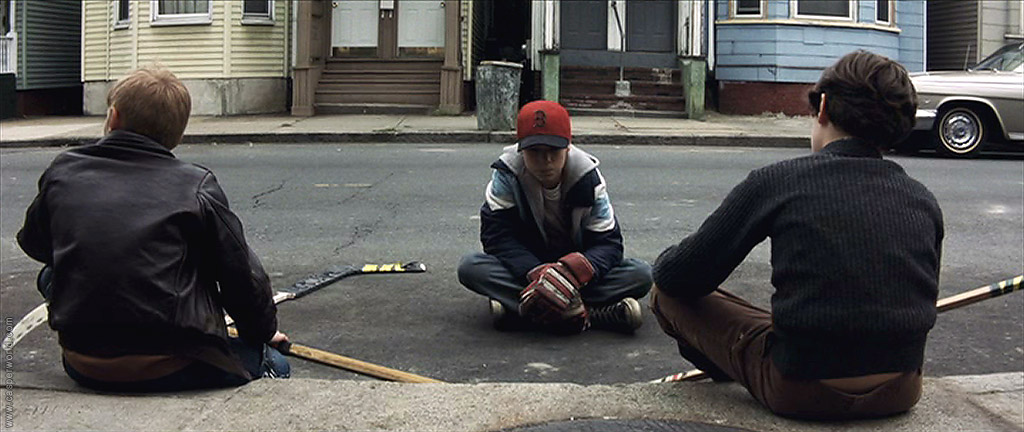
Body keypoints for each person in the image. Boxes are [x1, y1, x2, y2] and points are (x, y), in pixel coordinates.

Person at [650, 50, 944, 420]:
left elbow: (680, 276)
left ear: (822, 109)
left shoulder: (780, 181)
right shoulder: (922, 198)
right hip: (901, 388)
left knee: (666, 295)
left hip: (802, 390)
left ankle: (728, 368)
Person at [16, 66, 290, 392]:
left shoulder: (63, 170)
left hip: (82, 361)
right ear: (177, 135)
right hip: (171, 363)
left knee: (51, 273)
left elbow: (36, 246)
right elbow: (241, 277)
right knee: (276, 364)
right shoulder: (196, 185)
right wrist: (262, 333)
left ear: (113, 117)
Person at [458, 100, 652, 334]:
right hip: (528, 267)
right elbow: (497, 238)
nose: (545, 161)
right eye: (535, 152)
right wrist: (541, 275)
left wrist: (569, 274)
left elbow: (609, 244)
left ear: (568, 148)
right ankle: (594, 315)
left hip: (576, 271)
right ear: (521, 149)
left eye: (553, 151)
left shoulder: (588, 178)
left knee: (641, 274)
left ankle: (523, 310)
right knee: (471, 267)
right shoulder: (507, 174)